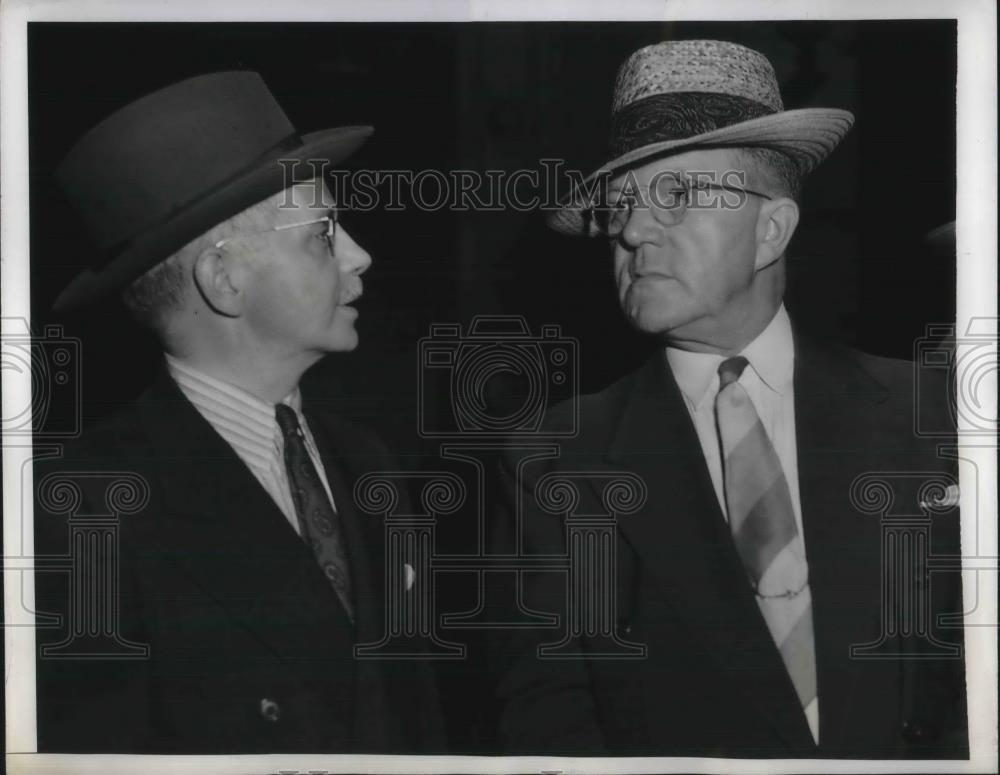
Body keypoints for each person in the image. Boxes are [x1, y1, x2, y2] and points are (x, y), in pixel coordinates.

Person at [492, 39, 966, 758]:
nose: (633, 228)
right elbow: (549, 721)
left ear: (771, 229)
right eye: (621, 203)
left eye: (678, 195)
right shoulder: (553, 460)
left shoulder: (934, 413)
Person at [34, 71, 445, 754]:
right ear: (224, 279)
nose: (360, 254)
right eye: (323, 232)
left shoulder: (372, 463)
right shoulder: (84, 509)